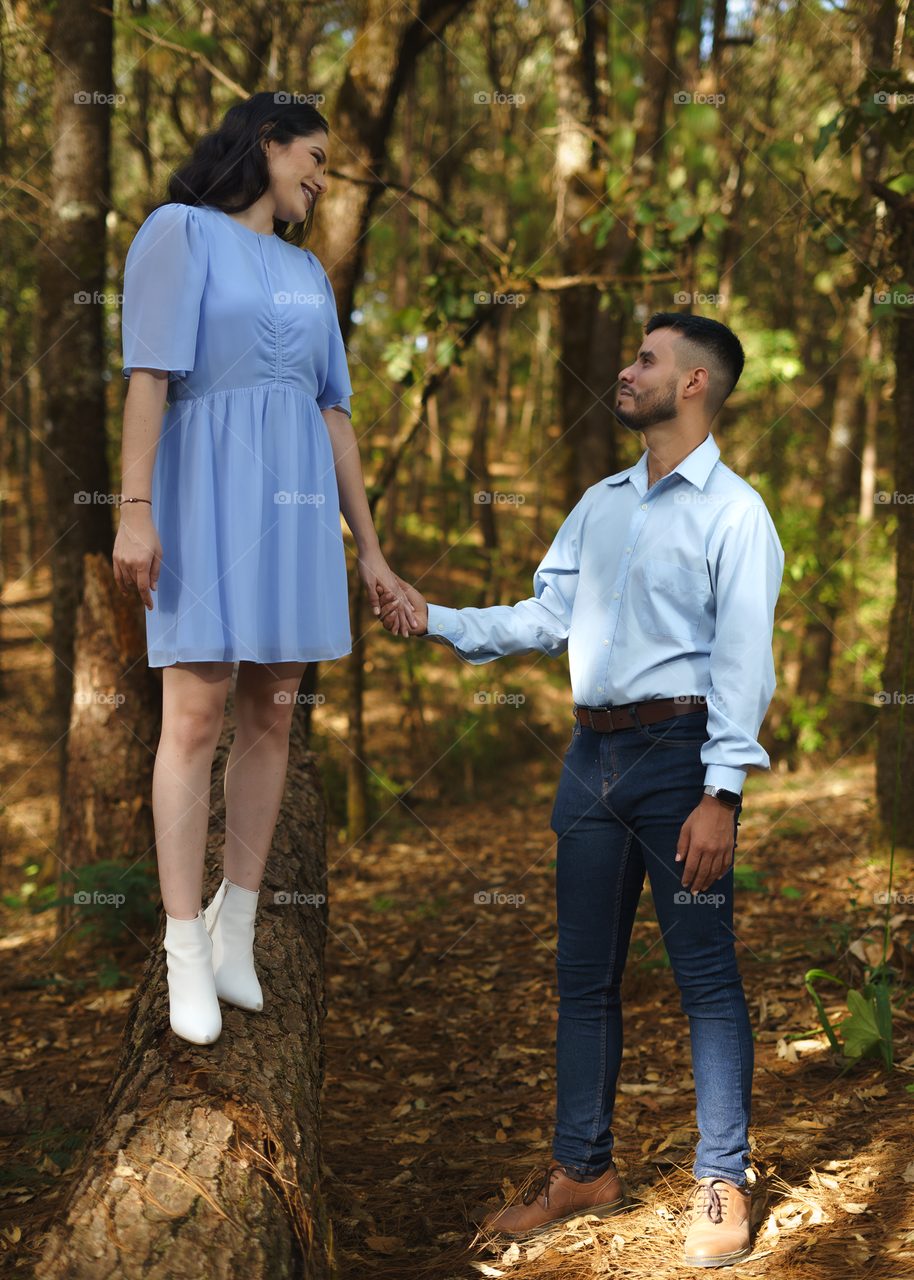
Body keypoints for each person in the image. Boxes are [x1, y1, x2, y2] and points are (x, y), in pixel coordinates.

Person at [379, 314, 784, 1267]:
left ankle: (723, 1177)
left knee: (706, 978)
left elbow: (743, 662)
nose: (625, 368)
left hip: (682, 759)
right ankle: (582, 1171)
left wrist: (721, 792)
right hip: (590, 761)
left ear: (693, 384)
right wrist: (430, 614)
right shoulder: (600, 503)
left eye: (646, 358)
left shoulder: (736, 512)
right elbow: (545, 615)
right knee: (583, 979)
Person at [113, 92, 415, 1048]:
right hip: (202, 492)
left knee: (275, 707)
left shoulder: (308, 273)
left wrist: (368, 549)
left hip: (293, 507)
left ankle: (235, 923)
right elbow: (150, 377)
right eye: (313, 156)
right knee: (195, 711)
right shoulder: (180, 231)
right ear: (267, 144)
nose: (322, 178)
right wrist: (133, 512)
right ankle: (182, 947)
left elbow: (335, 414)